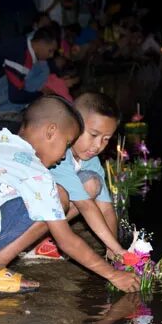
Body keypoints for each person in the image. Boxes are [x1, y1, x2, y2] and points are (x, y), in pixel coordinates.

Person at [0, 96, 140, 294]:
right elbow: (66, 240)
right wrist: (113, 275)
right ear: (51, 132)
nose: (64, 156)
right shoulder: (35, 171)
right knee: (59, 196)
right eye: (66, 145)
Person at [26, 92, 125, 260]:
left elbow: (106, 208)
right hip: (23, 213)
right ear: (74, 124)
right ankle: (33, 241)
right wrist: (119, 250)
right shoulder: (59, 154)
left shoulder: (91, 160)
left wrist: (111, 248)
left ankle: (46, 238)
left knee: (92, 184)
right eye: (93, 135)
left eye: (106, 139)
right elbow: (85, 205)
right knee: (73, 192)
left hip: (44, 211)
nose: (98, 145)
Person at [0, 26, 58, 122]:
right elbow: (15, 96)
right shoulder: (20, 56)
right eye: (50, 50)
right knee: (33, 78)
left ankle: (7, 109)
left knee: (33, 75)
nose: (51, 55)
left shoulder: (25, 44)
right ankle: (5, 112)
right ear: (41, 43)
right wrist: (40, 95)